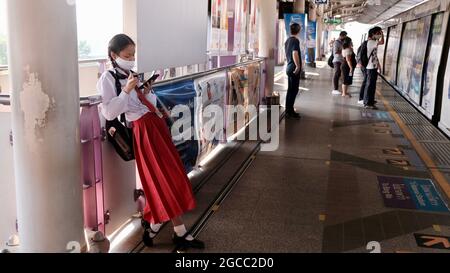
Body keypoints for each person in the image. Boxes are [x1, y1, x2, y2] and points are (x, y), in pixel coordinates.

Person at [97, 34, 204, 249]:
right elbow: (110, 112)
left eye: (133, 54)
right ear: (113, 55)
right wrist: (127, 90)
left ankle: (155, 224)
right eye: (127, 55)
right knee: (163, 178)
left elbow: (145, 104)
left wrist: (145, 92)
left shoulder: (130, 74)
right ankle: (177, 231)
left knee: (171, 176)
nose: (132, 59)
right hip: (143, 131)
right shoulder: (107, 79)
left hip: (155, 126)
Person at [363, 27, 384, 109]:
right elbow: (382, 42)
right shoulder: (371, 42)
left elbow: (374, 55)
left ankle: (370, 101)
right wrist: (383, 34)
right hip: (370, 67)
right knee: (370, 85)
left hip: (373, 66)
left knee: (372, 85)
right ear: (373, 34)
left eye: (380, 33)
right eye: (378, 33)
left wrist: (378, 65)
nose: (379, 34)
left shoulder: (373, 42)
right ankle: (367, 102)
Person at [284, 23, 302, 119]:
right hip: (293, 68)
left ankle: (288, 110)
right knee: (294, 90)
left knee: (290, 89)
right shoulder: (295, 40)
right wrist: (298, 66)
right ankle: (290, 111)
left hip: (289, 67)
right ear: (298, 30)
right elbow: (294, 53)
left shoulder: (287, 41)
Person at [332, 31, 348, 95]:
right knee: (337, 74)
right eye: (344, 36)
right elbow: (335, 52)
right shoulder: (336, 42)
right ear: (341, 35)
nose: (344, 38)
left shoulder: (342, 42)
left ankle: (337, 88)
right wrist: (343, 50)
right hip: (337, 60)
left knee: (339, 74)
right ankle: (335, 89)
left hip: (341, 60)